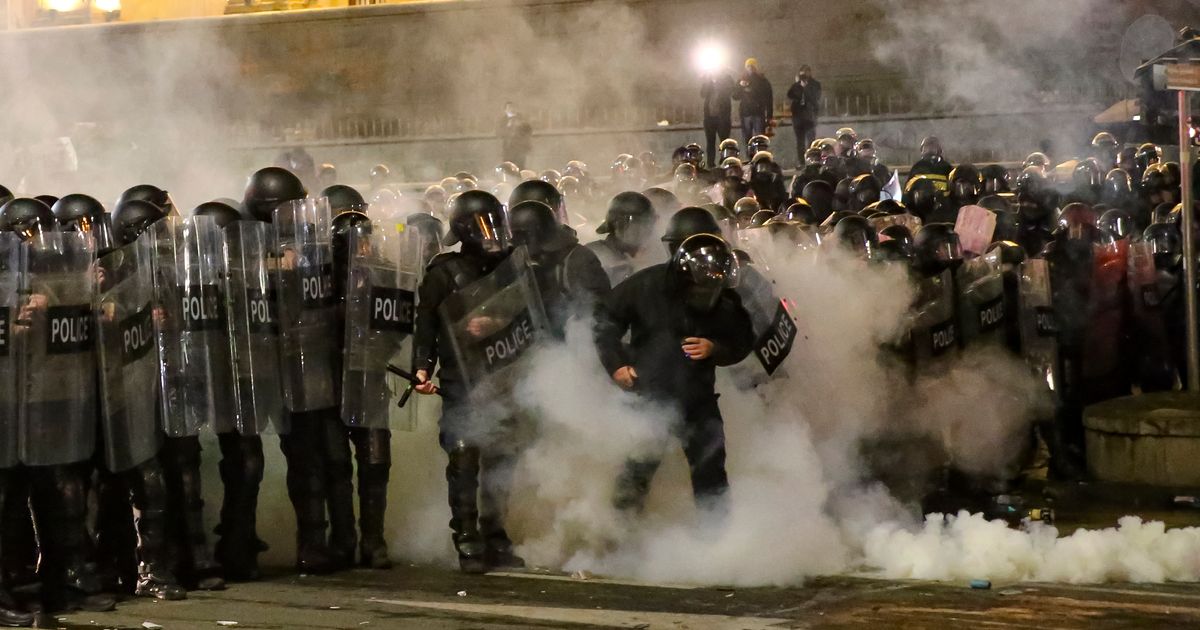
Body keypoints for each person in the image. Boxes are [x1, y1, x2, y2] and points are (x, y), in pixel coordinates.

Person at [596, 230, 753, 519]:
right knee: (637, 468)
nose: (706, 295)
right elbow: (605, 320)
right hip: (649, 394)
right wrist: (616, 364)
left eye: (713, 288)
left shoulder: (725, 300)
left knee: (710, 472)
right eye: (700, 288)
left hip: (698, 399)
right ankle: (618, 536)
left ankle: (718, 541)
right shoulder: (645, 285)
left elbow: (743, 339)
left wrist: (715, 347)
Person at [412, 191, 527, 574]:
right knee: (463, 454)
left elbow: (526, 311)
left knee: (503, 453)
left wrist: (495, 323)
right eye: (480, 226)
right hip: (462, 375)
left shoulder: (511, 266)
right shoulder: (443, 273)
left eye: (494, 223)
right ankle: (466, 535)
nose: (490, 234)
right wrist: (421, 369)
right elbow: (425, 326)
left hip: (504, 374)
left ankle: (495, 534)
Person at [586, 192, 659, 285]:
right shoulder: (594, 254)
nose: (649, 229)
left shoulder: (653, 251)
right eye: (642, 223)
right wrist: (635, 270)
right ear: (618, 225)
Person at [734, 58, 773, 147]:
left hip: (758, 113)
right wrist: (740, 86)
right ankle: (750, 159)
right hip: (745, 113)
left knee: (760, 139)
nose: (750, 68)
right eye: (748, 66)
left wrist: (769, 115)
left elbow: (769, 97)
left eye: (752, 66)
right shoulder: (741, 79)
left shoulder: (762, 80)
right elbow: (735, 96)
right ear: (746, 68)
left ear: (756, 67)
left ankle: (760, 157)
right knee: (747, 140)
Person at [700, 69, 735, 168]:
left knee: (724, 142)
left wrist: (720, 81)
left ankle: (725, 162)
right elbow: (702, 94)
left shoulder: (726, 78)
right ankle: (710, 164)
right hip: (709, 117)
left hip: (722, 117)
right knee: (710, 142)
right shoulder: (708, 79)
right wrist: (708, 81)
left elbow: (732, 91)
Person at [787, 66, 821, 164]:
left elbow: (815, 97)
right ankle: (801, 161)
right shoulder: (797, 85)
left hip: (810, 116)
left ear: (810, 73)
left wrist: (806, 88)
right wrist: (799, 86)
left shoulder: (815, 84)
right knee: (800, 141)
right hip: (797, 116)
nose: (804, 75)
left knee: (811, 140)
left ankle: (812, 160)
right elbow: (790, 95)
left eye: (806, 73)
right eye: (802, 73)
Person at [497, 102, 533, 169]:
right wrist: (507, 127)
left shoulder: (522, 119)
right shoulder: (503, 121)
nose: (511, 109)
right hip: (508, 150)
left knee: (520, 167)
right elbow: (499, 133)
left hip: (520, 149)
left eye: (512, 107)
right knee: (508, 167)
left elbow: (528, 131)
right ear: (505, 110)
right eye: (509, 108)